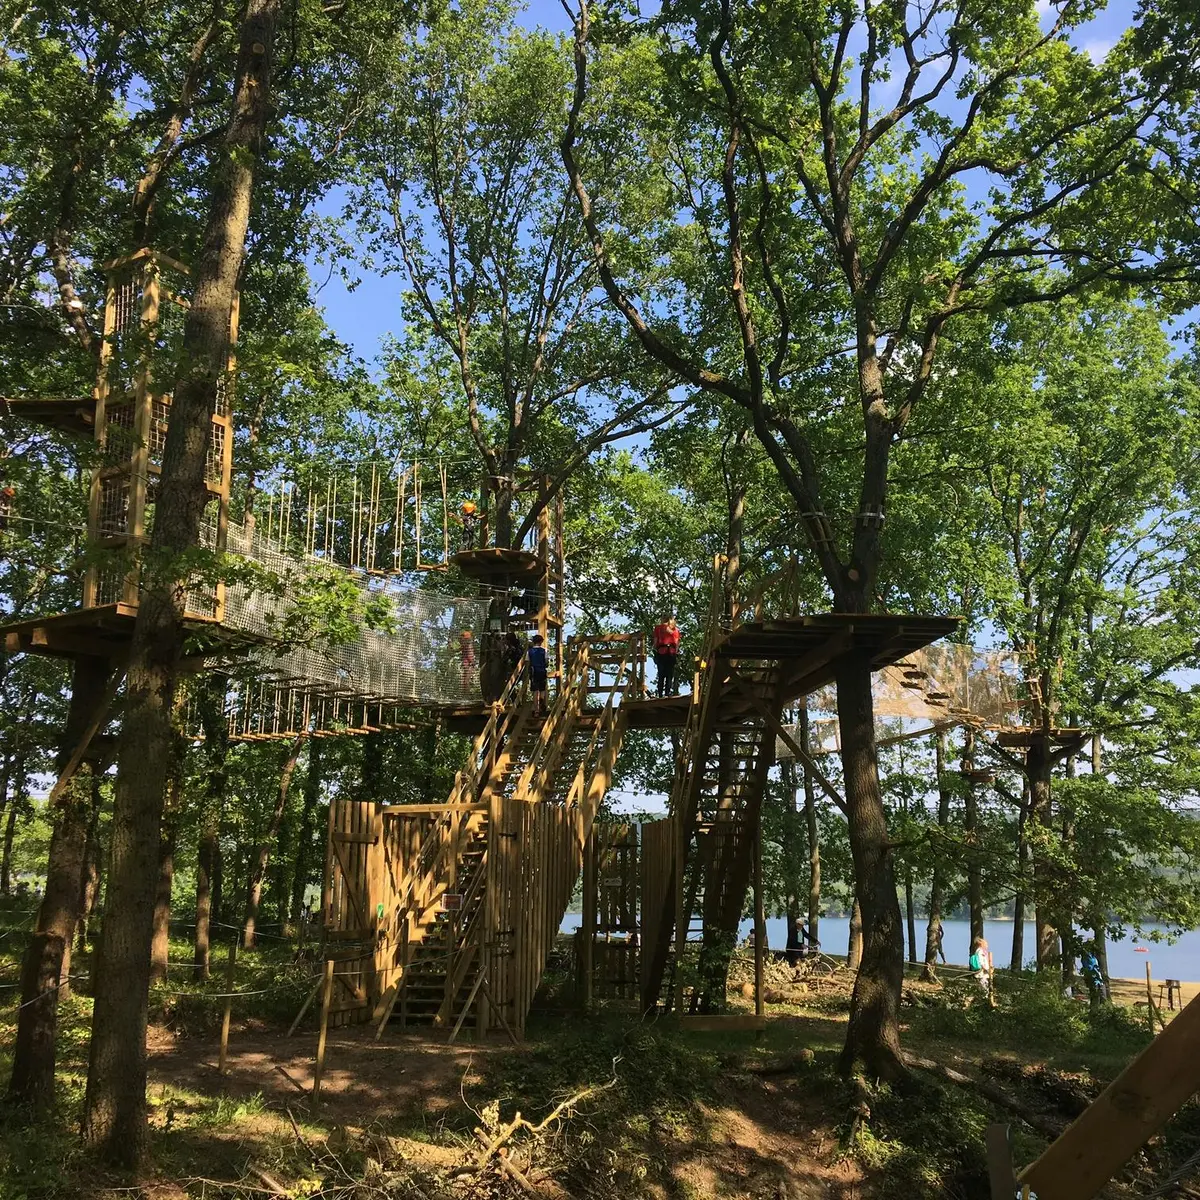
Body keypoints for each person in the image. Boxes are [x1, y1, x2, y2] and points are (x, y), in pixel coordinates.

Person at [652, 615, 682, 697]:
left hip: (662, 652)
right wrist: (675, 653)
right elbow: (677, 644)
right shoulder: (676, 630)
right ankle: (667, 693)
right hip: (671, 653)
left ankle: (660, 694)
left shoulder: (658, 628)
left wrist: (655, 650)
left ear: (662, 619)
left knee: (661, 674)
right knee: (669, 674)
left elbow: (655, 642)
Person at [528, 633, 549, 716]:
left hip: (534, 671)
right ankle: (542, 700)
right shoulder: (544, 650)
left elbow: (527, 662)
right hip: (542, 671)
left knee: (535, 691)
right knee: (542, 689)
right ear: (541, 642)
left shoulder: (530, 651)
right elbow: (546, 662)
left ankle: (536, 710)